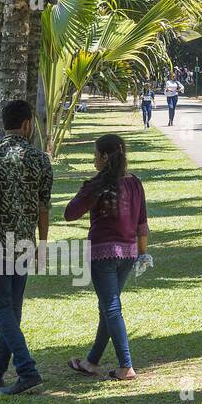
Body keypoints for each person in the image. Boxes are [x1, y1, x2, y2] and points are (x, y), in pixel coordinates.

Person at [63, 134, 148, 382]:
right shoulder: (135, 183)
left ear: (104, 157)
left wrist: (85, 190)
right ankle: (91, 362)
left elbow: (70, 213)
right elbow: (142, 224)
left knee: (111, 307)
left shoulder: (99, 184)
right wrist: (143, 254)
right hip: (129, 253)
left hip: (103, 253)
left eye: (95, 155)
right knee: (107, 307)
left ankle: (126, 365)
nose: (93, 160)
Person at [0, 100, 52, 395]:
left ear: (4, 124)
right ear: (27, 124)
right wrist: (42, 244)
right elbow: (43, 207)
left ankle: (27, 370)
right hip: (24, 243)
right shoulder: (40, 159)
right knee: (12, 310)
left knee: (3, 309)